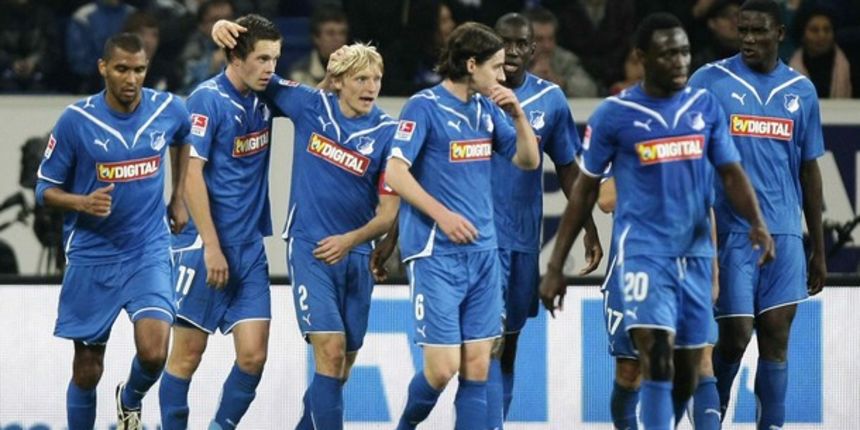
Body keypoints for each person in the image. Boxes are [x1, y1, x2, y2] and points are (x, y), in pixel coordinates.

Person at [540, 12, 774, 430]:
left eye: (684, 52)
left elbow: (729, 174)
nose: (680, 61)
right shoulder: (615, 114)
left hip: (695, 256)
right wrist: (556, 265)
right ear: (642, 57)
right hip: (643, 255)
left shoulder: (704, 107)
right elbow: (587, 192)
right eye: (668, 54)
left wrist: (756, 222)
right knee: (652, 360)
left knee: (692, 367)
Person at [213, 20, 402, 428]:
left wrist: (352, 241)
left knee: (342, 364)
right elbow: (252, 71)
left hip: (356, 254)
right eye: (361, 78)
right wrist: (221, 30)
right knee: (329, 352)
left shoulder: (389, 133)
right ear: (339, 81)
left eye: (376, 79)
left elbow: (389, 213)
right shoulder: (311, 106)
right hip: (311, 249)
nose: (371, 87)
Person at [385, 21, 540, 430]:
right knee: (442, 368)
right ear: (471, 64)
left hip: (483, 253)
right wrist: (443, 215)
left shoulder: (487, 109)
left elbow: (528, 160)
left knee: (478, 364)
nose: (503, 75)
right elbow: (396, 173)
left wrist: (518, 115)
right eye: (496, 66)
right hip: (436, 253)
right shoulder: (423, 106)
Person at [35, 32, 191, 430]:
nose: (132, 79)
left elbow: (183, 136)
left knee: (155, 353)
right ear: (103, 68)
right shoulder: (76, 121)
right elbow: (44, 189)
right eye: (122, 69)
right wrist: (81, 203)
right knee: (88, 369)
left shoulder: (167, 108)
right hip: (93, 253)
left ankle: (130, 398)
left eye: (139, 70)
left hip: (147, 250)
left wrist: (178, 196)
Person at [688, 1, 826, 427]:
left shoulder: (801, 91)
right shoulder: (709, 80)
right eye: (742, 30)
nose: (748, 39)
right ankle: (711, 410)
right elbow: (687, 155)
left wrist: (818, 249)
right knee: (734, 336)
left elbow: (809, 170)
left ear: (780, 33)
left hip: (785, 233)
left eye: (758, 31)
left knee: (776, 339)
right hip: (732, 232)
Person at [158, 14, 281, 430]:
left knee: (253, 357)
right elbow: (192, 175)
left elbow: (316, 100)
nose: (270, 68)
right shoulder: (206, 100)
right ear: (236, 57)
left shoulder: (268, 94)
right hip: (204, 246)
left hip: (249, 248)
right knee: (187, 356)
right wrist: (211, 246)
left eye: (275, 59)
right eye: (262, 58)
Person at [597, 176, 722, 430]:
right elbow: (605, 199)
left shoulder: (698, 148)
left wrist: (714, 270)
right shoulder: (624, 149)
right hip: (634, 269)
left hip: (688, 267)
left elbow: (706, 208)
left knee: (702, 361)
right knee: (629, 372)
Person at [525, 7, 599, 97]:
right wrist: (528, 80)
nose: (547, 46)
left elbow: (591, 90)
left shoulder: (565, 60)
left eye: (551, 38)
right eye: (539, 39)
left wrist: (561, 83)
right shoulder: (514, 59)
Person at [788, 6, 853, 98]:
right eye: (814, 30)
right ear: (802, 35)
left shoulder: (849, 65)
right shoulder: (791, 71)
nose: (822, 35)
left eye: (827, 29)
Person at [288, 5, 350, 87]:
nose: (338, 39)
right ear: (316, 38)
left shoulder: (358, 69)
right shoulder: (300, 73)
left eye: (342, 33)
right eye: (330, 33)